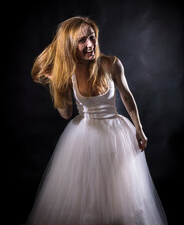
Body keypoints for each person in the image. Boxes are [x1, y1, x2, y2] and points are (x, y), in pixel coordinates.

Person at [26, 16, 168, 225]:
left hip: (115, 133)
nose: (90, 45)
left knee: (118, 191)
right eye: (82, 41)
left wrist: (139, 128)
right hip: (84, 136)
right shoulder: (70, 73)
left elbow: (127, 97)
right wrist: (57, 84)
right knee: (88, 192)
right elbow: (66, 114)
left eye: (92, 38)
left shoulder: (111, 64)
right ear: (70, 45)